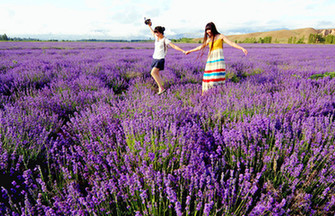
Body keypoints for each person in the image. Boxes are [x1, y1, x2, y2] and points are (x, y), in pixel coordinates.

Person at [185, 22, 248, 95]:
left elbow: (231, 43)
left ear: (213, 29)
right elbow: (200, 47)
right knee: (208, 79)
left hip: (219, 61)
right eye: (206, 30)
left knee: (215, 79)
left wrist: (242, 48)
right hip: (210, 62)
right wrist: (190, 51)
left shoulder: (220, 36)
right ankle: (206, 95)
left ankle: (218, 94)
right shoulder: (209, 39)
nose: (208, 31)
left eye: (209, 29)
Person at [147, 20, 186, 94]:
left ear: (161, 33)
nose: (155, 34)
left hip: (160, 59)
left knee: (153, 73)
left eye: (157, 32)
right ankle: (160, 88)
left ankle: (161, 88)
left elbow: (173, 46)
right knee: (157, 74)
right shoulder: (156, 37)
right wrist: (149, 26)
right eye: (155, 32)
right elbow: (152, 32)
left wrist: (183, 51)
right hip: (155, 58)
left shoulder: (165, 40)